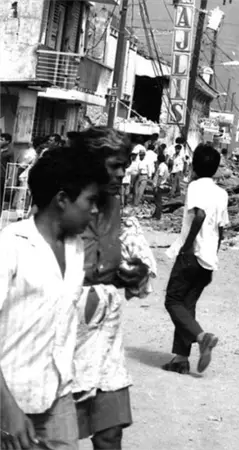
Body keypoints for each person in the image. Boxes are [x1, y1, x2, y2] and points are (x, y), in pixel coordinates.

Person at [0, 145, 109, 450]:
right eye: (90, 201)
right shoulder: (12, 245)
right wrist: (7, 409)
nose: (95, 210)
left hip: (56, 397)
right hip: (9, 400)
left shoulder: (75, 248)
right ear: (62, 199)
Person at [69, 127, 151, 450]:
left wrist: (129, 274)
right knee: (55, 433)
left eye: (125, 165)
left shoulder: (114, 205)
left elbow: (106, 264)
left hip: (105, 332)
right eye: (115, 165)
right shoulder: (62, 204)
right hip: (65, 330)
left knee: (110, 432)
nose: (122, 173)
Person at [162, 144, 229, 374]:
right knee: (186, 306)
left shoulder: (195, 186)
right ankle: (180, 359)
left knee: (172, 301)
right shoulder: (222, 194)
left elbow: (199, 215)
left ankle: (202, 338)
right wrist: (214, 253)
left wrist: (187, 246)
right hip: (208, 258)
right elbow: (221, 230)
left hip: (192, 254)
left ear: (194, 166)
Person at [151, 153, 170, 221]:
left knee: (158, 202)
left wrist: (157, 186)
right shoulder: (164, 166)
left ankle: (158, 216)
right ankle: (155, 214)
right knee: (157, 201)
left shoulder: (162, 166)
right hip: (160, 185)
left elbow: (160, 177)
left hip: (159, 186)